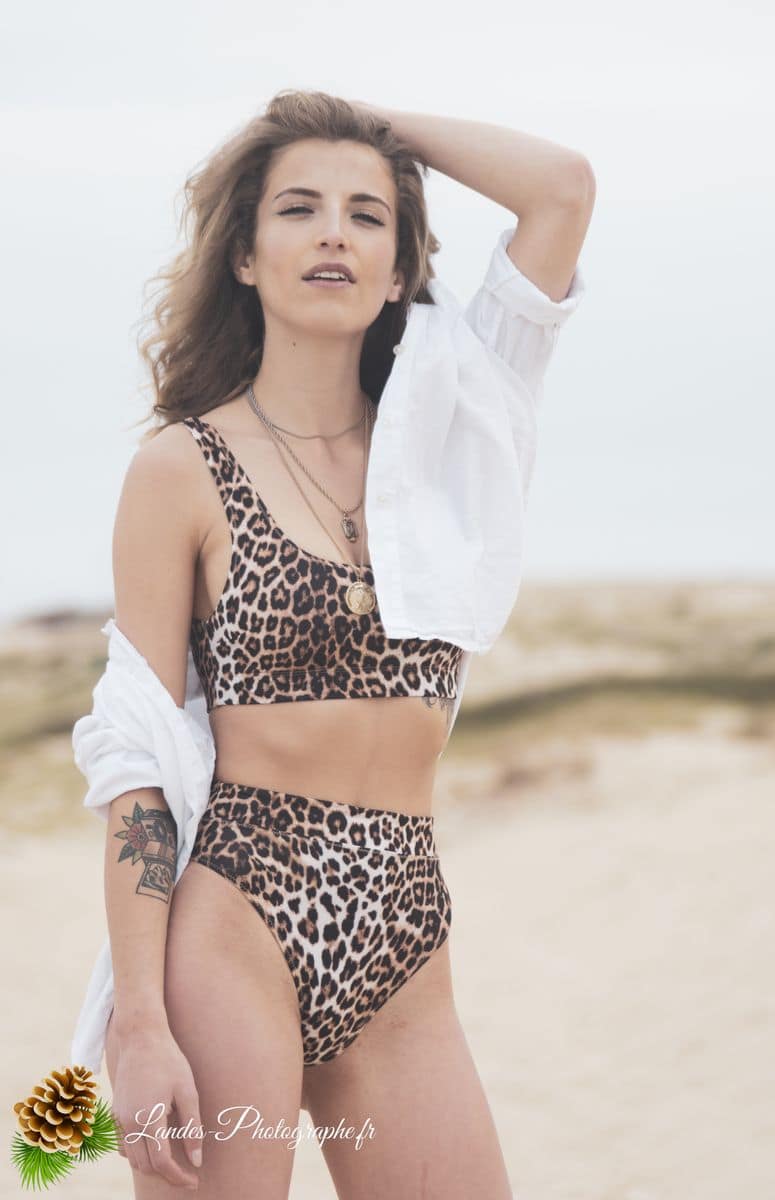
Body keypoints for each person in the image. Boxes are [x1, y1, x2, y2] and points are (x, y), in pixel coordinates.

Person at [79, 89, 593, 1199]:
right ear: (245, 257)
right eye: (297, 208)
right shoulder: (180, 469)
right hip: (239, 914)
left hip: (404, 923)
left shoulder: (461, 434)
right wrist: (138, 1020)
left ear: (400, 269)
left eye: (367, 217)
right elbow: (135, 756)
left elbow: (560, 189)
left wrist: (370, 123)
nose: (333, 234)